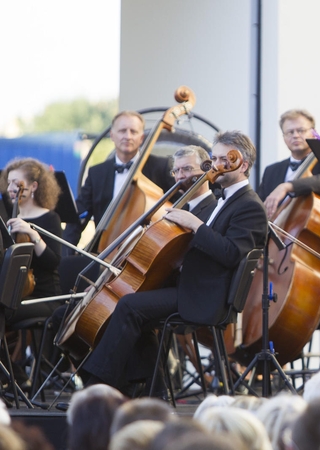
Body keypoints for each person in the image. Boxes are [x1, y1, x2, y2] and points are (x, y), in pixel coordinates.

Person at [80, 130, 267, 395]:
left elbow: (231, 253)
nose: (215, 165)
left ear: (243, 164)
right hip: (192, 287)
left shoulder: (249, 205)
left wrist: (195, 225)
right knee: (135, 307)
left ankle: (97, 387)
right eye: (214, 158)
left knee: (129, 306)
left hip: (205, 297)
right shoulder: (226, 198)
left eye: (225, 159)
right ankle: (150, 391)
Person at [63, 110, 175, 250]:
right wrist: (65, 255)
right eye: (122, 131)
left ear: (141, 137)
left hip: (147, 250)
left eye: (133, 131)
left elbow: (178, 207)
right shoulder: (97, 173)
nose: (127, 136)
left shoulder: (161, 167)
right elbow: (78, 217)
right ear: (112, 135)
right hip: (104, 251)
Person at [0, 158, 63, 387]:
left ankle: (14, 376)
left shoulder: (49, 218)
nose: (10, 189)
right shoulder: (6, 217)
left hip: (44, 296)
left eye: (16, 183)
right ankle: (14, 374)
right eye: (8, 183)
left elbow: (53, 262)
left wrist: (32, 234)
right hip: (14, 294)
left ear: (33, 186)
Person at [256, 109, 320, 218]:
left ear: (314, 133)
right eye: (290, 132)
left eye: (301, 130)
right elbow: (259, 205)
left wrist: (287, 186)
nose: (295, 135)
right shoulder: (271, 171)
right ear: (284, 137)